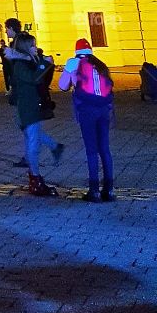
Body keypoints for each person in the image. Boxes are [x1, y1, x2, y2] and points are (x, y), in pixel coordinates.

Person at [58, 38, 115, 202]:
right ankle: (109, 190)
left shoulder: (73, 63)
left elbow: (62, 86)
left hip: (87, 110)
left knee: (91, 150)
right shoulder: (101, 64)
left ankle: (94, 191)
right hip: (104, 109)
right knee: (105, 149)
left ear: (76, 51)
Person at [8, 32, 64, 195]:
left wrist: (44, 63)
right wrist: (44, 64)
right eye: (32, 45)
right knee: (32, 144)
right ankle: (36, 180)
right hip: (26, 108)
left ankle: (53, 149)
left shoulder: (28, 61)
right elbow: (34, 78)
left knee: (33, 137)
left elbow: (42, 79)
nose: (35, 47)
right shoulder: (20, 64)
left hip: (31, 106)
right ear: (25, 47)